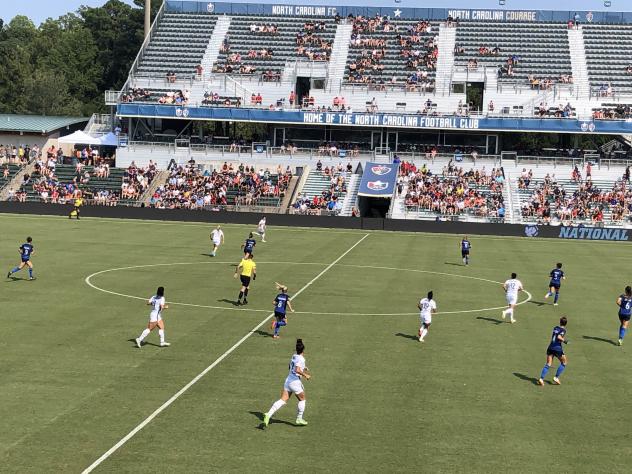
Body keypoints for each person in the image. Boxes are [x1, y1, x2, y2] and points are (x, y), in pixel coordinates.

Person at [263, 338, 310, 428]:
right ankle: (299, 418)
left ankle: (268, 415)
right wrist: (305, 375)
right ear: (303, 350)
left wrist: (304, 367)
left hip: (288, 380)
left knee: (283, 400)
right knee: (302, 399)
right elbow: (297, 369)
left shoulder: (294, 356)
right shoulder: (302, 359)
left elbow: (291, 367)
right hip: (295, 382)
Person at [537, 316, 568, 386]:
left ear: (560, 322)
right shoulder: (563, 330)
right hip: (557, 349)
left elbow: (556, 335)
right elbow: (559, 337)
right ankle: (556, 377)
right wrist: (565, 341)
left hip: (550, 347)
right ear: (566, 323)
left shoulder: (555, 328)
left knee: (548, 364)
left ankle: (541, 379)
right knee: (564, 362)